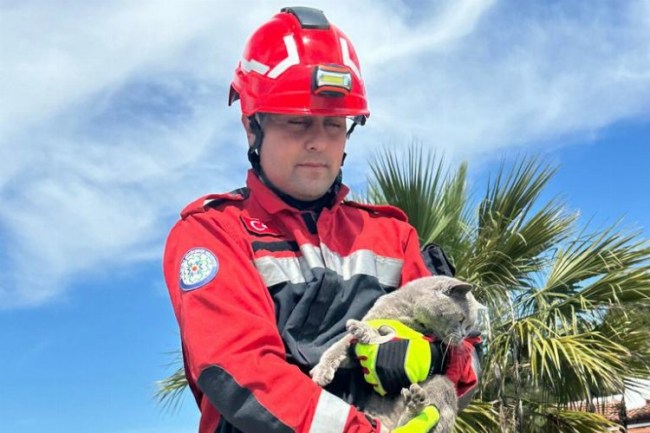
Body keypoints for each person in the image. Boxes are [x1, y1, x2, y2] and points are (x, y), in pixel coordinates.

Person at [163, 6, 480, 433]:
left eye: (333, 124)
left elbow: (469, 350)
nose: (318, 142)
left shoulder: (393, 235)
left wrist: (431, 354)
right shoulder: (213, 232)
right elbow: (240, 369)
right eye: (298, 122)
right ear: (251, 127)